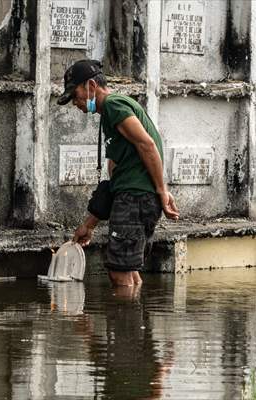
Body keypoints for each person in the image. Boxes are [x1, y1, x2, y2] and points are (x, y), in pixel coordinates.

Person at [57, 59, 179, 287]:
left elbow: (147, 145)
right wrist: (89, 224)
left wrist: (162, 192)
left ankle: (125, 321)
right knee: (127, 270)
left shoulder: (114, 105)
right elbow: (115, 177)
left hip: (136, 199)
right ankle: (134, 320)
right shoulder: (111, 113)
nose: (75, 103)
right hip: (134, 198)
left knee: (119, 273)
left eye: (75, 95)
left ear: (91, 86)